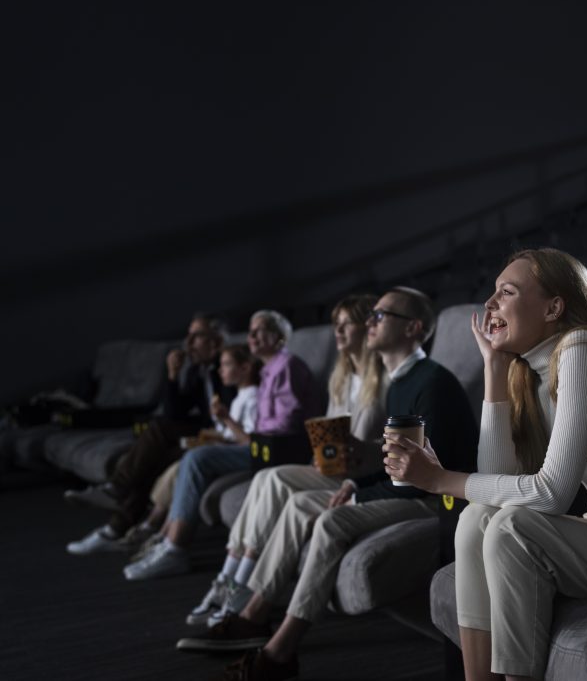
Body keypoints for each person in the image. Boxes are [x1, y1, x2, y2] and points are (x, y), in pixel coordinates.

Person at [384, 248, 587, 681]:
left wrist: (438, 479)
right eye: (492, 293)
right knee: (476, 519)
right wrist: (494, 368)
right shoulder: (529, 369)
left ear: (554, 307)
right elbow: (500, 481)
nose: (490, 304)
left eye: (506, 292)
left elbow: (551, 493)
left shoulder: (583, 347)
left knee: (512, 527)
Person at [178, 286, 477, 681]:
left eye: (381, 316)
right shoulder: (402, 379)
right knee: (299, 504)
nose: (370, 321)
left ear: (414, 329)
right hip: (410, 486)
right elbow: (396, 461)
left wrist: (359, 495)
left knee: (331, 521)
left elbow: (421, 478)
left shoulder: (431, 383)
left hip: (438, 501)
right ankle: (253, 613)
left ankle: (280, 651)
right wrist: (356, 485)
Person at [183, 294, 389, 627]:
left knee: (275, 479)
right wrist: (317, 458)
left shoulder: (381, 378)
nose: (336, 331)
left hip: (357, 473)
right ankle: (227, 580)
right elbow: (326, 435)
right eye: (334, 324)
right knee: (265, 478)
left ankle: (240, 590)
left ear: (367, 328)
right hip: (332, 467)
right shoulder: (341, 376)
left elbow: (372, 444)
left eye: (344, 324)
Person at [123, 309, 320, 580]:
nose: (251, 335)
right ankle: (163, 539)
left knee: (198, 458)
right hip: (262, 445)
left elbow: (285, 425)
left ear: (278, 337)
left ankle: (175, 548)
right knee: (189, 458)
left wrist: (247, 436)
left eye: (259, 330)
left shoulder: (287, 366)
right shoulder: (269, 370)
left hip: (281, 450)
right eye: (250, 329)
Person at [66, 313, 233, 555]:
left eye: (196, 336)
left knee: (157, 443)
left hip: (227, 436)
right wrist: (174, 376)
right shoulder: (199, 370)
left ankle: (116, 506)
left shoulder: (230, 366)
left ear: (215, 341)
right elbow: (174, 413)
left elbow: (234, 412)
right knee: (157, 437)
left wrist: (217, 363)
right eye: (189, 335)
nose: (188, 343)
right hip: (206, 432)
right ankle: (114, 524)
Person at [124, 344, 262, 554]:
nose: (220, 370)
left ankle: (163, 535)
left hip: (243, 454)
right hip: (227, 447)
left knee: (187, 465)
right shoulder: (238, 397)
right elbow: (229, 436)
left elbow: (250, 442)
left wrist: (226, 419)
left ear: (245, 368)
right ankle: (160, 532)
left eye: (226, 365)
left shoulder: (254, 397)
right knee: (177, 468)